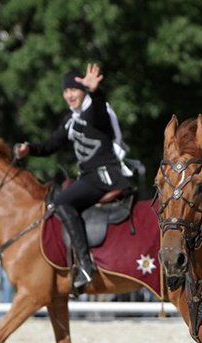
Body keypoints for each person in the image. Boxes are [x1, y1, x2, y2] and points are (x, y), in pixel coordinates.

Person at [14, 63, 132, 288]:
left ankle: (86, 266)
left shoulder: (96, 111)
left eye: (73, 90)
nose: (69, 95)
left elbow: (98, 107)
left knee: (60, 202)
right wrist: (29, 148)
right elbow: (51, 144)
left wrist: (95, 90)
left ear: (83, 90)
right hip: (88, 176)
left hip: (103, 176)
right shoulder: (71, 119)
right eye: (66, 91)